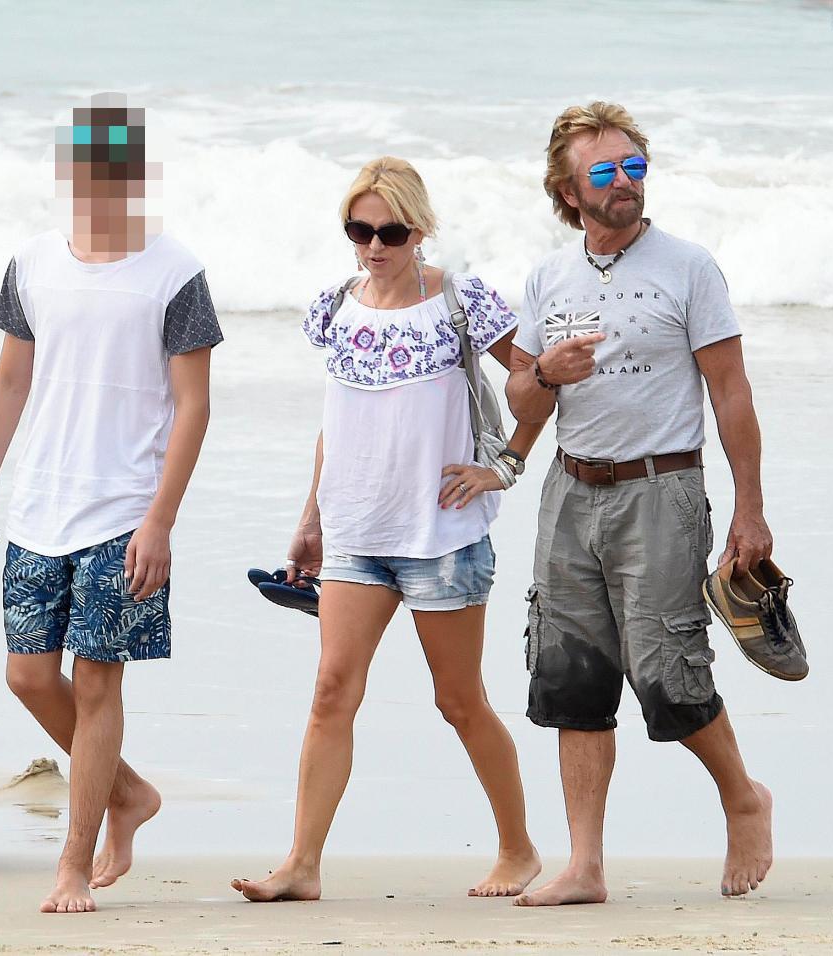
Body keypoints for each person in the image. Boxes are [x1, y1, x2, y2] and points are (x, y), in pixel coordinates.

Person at [232, 156, 544, 903]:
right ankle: (301, 865)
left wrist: (503, 467)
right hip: (353, 535)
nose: (374, 245)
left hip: (443, 535)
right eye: (359, 229)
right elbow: (335, 423)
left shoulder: (463, 303)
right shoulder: (336, 306)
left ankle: (520, 849)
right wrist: (309, 518)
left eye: (390, 231)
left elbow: (536, 387)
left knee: (458, 700)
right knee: (331, 692)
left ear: (420, 230)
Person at [0, 93, 222, 913]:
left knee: (99, 685)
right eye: (82, 168)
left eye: (112, 169)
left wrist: (161, 519)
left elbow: (194, 405)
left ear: (133, 174)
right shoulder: (31, 264)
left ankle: (74, 859)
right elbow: (10, 379)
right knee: (29, 676)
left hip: (125, 512)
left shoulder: (176, 272)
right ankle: (127, 793)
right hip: (37, 507)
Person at [505, 102, 774, 906]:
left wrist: (749, 511)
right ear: (567, 188)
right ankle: (585, 866)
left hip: (662, 489)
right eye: (605, 172)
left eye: (634, 167)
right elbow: (523, 403)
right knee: (570, 681)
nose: (625, 184)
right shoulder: (548, 277)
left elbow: (731, 391)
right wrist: (546, 372)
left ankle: (743, 797)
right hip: (569, 491)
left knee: (670, 677)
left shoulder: (688, 266)